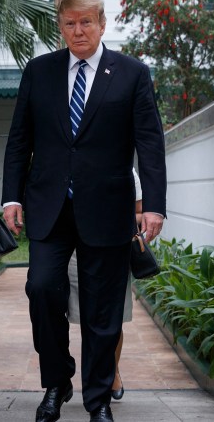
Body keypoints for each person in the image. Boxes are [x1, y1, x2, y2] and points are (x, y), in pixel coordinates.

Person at [1, 0, 166, 422]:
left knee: (102, 309)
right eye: (70, 24)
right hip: (48, 206)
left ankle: (97, 401)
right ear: (61, 26)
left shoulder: (132, 73)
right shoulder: (39, 71)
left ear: (102, 24)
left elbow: (149, 143)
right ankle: (56, 383)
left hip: (109, 208)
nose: (78, 31)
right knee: (40, 288)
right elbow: (20, 138)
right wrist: (12, 196)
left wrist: (154, 206)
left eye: (86, 23)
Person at [67, 168, 143, 401]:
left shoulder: (126, 167)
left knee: (112, 319)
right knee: (83, 318)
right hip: (72, 249)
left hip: (111, 245)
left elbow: (139, 212)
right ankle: (93, 375)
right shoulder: (65, 160)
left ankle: (111, 371)